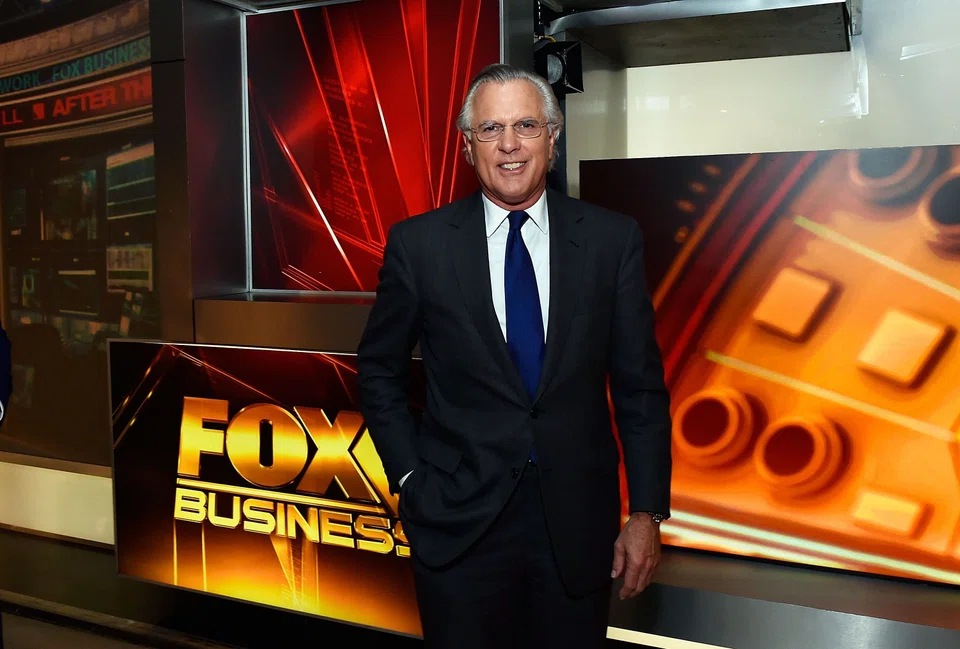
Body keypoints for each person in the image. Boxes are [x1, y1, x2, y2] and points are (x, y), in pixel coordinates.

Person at [356, 63, 672, 649]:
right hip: (455, 522)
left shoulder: (610, 240)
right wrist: (409, 477)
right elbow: (379, 369)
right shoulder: (419, 245)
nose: (509, 145)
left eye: (526, 125)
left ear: (553, 137)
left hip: (577, 529)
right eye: (490, 128)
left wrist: (647, 512)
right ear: (467, 145)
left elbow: (640, 388)